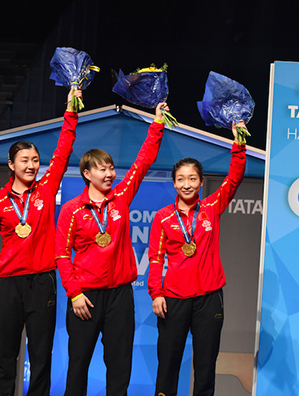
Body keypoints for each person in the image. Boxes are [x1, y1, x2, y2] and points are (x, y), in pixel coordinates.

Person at [55, 103, 168, 395]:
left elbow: (142, 163)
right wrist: (74, 294)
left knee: (119, 366)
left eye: (111, 168)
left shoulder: (120, 198)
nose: (109, 173)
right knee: (78, 364)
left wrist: (157, 125)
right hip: (85, 296)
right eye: (102, 169)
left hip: (120, 296)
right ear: (86, 173)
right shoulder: (72, 210)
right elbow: (62, 255)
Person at [0, 88, 82, 395]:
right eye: (24, 160)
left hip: (42, 281)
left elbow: (63, 152)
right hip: (8, 283)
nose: (31, 165)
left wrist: (71, 112)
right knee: (5, 354)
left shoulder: (46, 189)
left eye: (35, 160)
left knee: (41, 356)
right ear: (11, 165)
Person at [148, 121, 248, 396]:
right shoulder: (163, 217)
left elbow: (234, 178)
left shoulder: (212, 207)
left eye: (192, 179)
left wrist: (239, 144)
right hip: (173, 299)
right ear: (174, 183)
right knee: (168, 363)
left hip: (208, 297)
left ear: (201, 182)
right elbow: (155, 259)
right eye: (181, 179)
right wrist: (156, 293)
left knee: (205, 365)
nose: (187, 184)